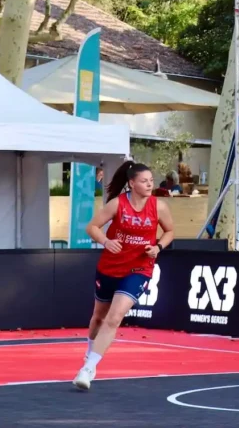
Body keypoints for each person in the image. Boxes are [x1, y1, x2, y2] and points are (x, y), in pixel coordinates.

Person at [73, 161, 175, 391]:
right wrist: (106, 241)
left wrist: (158, 247)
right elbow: (92, 228)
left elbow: (169, 231)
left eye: (151, 180)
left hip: (139, 268)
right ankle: (90, 351)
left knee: (115, 317)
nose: (149, 184)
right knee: (98, 317)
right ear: (131, 183)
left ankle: (88, 369)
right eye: (144, 181)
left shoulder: (158, 207)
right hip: (110, 267)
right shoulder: (117, 204)